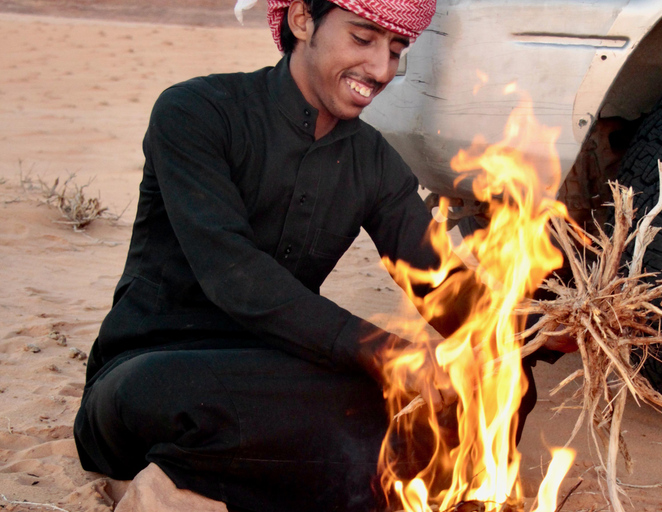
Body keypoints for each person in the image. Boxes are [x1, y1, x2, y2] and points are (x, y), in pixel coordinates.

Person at [74, 1, 573, 511]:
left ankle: (222, 481)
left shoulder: (374, 160)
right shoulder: (196, 111)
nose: (381, 70)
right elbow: (236, 276)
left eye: (396, 49)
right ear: (301, 20)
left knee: (495, 385)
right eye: (362, 39)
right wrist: (389, 353)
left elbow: (442, 286)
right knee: (173, 392)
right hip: (156, 371)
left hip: (285, 377)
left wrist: (538, 328)